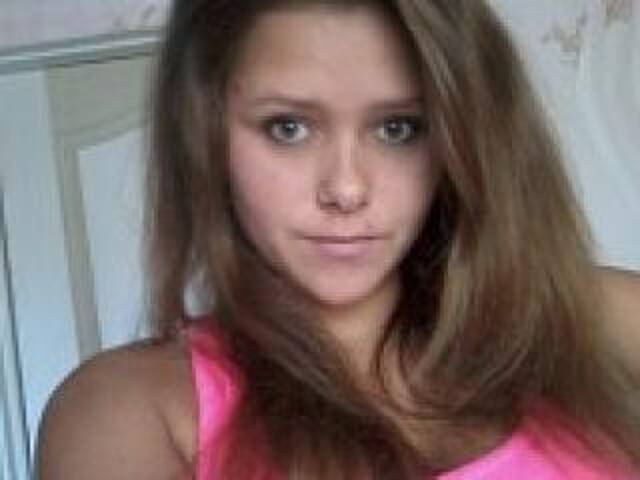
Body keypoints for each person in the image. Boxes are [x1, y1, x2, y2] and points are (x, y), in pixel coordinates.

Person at [35, 1, 640, 479]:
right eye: (288, 128)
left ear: (465, 140)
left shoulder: (591, 319)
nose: (347, 188)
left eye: (398, 128)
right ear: (206, 135)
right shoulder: (128, 410)